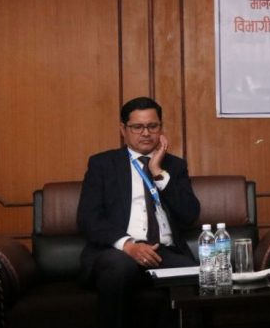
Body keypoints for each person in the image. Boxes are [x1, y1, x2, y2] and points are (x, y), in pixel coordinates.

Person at [77, 97, 201, 328]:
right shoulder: (102, 164)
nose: (146, 133)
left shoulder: (174, 166)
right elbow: (88, 219)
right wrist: (128, 245)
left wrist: (157, 172)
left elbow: (189, 215)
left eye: (152, 126)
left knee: (192, 274)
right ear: (123, 129)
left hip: (162, 251)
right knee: (120, 268)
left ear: (160, 128)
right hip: (118, 251)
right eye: (137, 127)